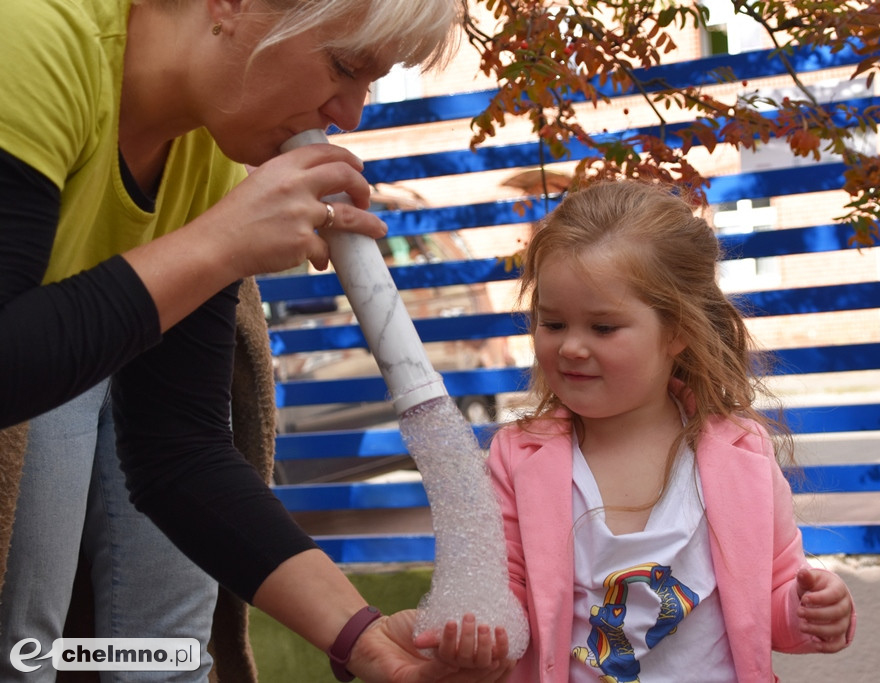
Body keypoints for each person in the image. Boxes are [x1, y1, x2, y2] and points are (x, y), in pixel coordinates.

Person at [0, 0, 514, 681]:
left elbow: (179, 453)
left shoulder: (207, 160)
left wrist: (361, 638)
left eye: (371, 83)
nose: (352, 114)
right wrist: (216, 245)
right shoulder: (32, 39)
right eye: (345, 67)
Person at [487, 180, 856, 682]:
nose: (571, 347)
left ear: (678, 329)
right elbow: (501, 599)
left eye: (602, 328)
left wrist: (809, 610)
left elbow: (769, 604)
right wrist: (477, 634)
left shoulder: (741, 454)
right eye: (553, 324)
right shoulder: (516, 457)